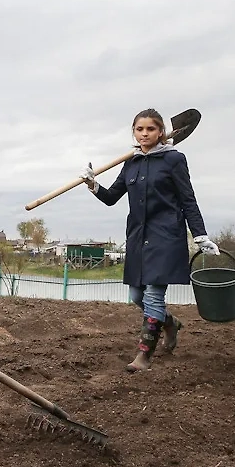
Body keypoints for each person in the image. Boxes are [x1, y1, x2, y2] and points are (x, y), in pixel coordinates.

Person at [80, 108, 219, 373]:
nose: (144, 134)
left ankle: (143, 357)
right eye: (139, 129)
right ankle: (169, 323)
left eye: (150, 129)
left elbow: (188, 200)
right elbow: (112, 198)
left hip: (166, 237)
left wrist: (200, 235)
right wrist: (92, 184)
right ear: (133, 132)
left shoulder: (174, 160)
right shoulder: (130, 162)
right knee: (136, 296)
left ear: (161, 132)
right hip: (137, 237)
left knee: (154, 295)